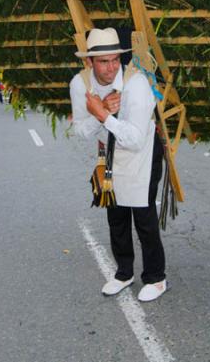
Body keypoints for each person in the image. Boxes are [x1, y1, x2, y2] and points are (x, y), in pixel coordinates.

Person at [69, 28, 168, 302]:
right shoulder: (80, 84)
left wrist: (103, 114)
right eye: (103, 61)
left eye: (115, 59)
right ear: (89, 62)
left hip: (143, 153)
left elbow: (135, 140)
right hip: (109, 152)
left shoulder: (136, 83)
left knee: (144, 216)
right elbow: (79, 131)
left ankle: (156, 277)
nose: (111, 67)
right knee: (116, 215)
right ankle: (124, 273)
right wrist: (99, 115)